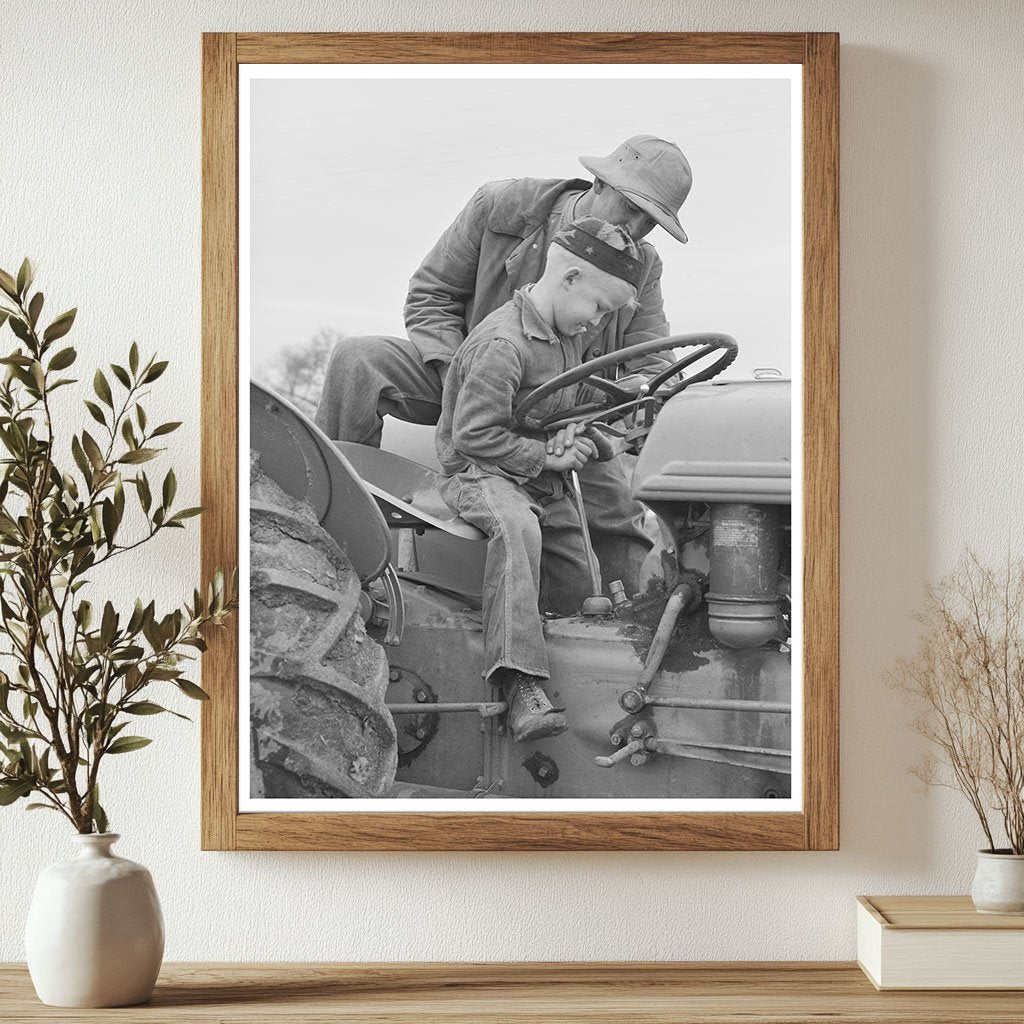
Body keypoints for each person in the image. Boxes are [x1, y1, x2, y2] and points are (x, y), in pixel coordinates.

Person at [315, 135, 693, 594]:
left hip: (561, 414)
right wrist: (469, 375)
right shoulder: (503, 207)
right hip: (463, 377)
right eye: (631, 208)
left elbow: (651, 358)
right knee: (357, 360)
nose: (635, 228)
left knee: (616, 518)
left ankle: (632, 633)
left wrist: (624, 409)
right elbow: (430, 296)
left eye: (651, 221)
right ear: (599, 182)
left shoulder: (641, 265)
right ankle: (325, 531)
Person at [435, 217, 642, 742]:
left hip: (529, 477)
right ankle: (515, 680)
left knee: (579, 559)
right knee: (518, 528)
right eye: (598, 309)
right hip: (478, 473)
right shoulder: (503, 343)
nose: (597, 324)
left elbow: (565, 410)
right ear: (569, 278)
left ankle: (585, 667)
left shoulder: (565, 335)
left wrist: (586, 436)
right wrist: (544, 457)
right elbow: (472, 435)